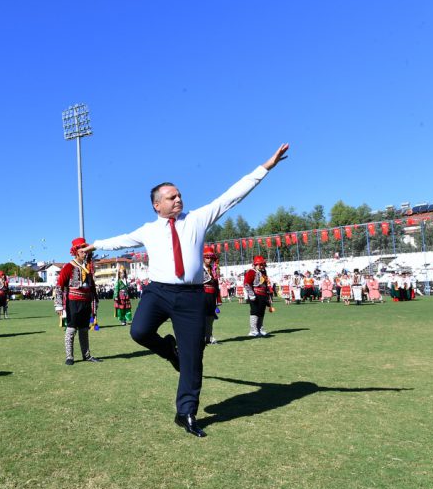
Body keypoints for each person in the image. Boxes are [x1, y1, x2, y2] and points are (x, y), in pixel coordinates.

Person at [82, 143, 289, 437]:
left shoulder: (197, 219)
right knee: (139, 332)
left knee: (192, 357)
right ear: (157, 205)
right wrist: (96, 245)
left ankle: (186, 412)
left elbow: (232, 196)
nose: (179, 199)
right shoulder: (148, 230)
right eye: (172, 197)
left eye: (179, 195)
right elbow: (122, 240)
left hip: (192, 296)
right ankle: (169, 349)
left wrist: (265, 167)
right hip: (158, 292)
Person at [56, 238, 100, 365]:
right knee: (71, 329)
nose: (85, 254)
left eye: (86, 251)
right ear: (76, 252)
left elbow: (92, 286)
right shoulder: (69, 267)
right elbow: (59, 286)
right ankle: (69, 356)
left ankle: (86, 355)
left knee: (84, 329)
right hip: (73, 302)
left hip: (86, 302)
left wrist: (95, 300)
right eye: (82, 251)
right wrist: (59, 305)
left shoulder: (88, 267)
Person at [243, 256, 273, 337]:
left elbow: (265, 284)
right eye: (260, 265)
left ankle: (260, 329)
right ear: (255, 265)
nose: (261, 266)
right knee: (255, 312)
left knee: (261, 312)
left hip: (263, 295)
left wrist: (268, 295)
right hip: (255, 295)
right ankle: (253, 330)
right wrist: (251, 295)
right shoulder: (251, 272)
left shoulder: (263, 272)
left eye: (262, 265)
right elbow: (246, 284)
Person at [202, 246, 221, 345]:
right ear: (203, 258)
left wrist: (218, 298)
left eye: (211, 258)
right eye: (207, 257)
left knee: (210, 317)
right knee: (202, 317)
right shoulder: (198, 268)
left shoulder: (214, 269)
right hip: (202, 295)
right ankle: (201, 337)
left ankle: (209, 336)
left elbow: (216, 285)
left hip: (212, 295)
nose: (209, 260)